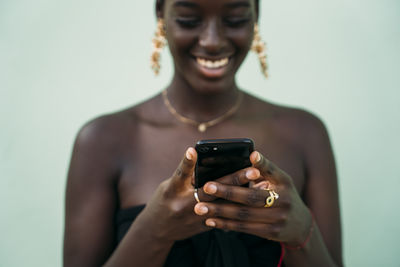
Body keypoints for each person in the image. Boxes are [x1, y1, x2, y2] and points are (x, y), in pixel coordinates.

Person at [63, 0, 343, 266]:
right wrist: (153, 231)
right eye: (189, 20)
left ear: (256, 15)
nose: (212, 41)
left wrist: (303, 235)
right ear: (161, 13)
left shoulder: (305, 134)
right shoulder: (103, 140)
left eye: (235, 19)